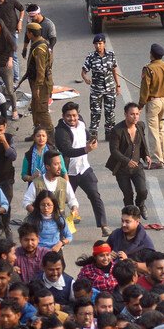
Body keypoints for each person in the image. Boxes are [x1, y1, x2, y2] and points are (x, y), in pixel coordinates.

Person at [54, 102, 109, 237]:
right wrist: (86, 149)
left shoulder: (82, 123)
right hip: (68, 172)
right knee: (61, 202)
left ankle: (103, 226)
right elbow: (67, 150)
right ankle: (60, 232)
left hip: (84, 169)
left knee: (95, 195)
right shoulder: (60, 132)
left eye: (74, 115)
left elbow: (86, 135)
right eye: (68, 116)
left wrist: (92, 140)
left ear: (78, 115)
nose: (72, 119)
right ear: (63, 116)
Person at [106, 103, 151, 218]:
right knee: (128, 194)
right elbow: (114, 151)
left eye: (137, 114)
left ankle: (140, 205)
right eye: (132, 114)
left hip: (137, 167)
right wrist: (127, 161)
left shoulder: (140, 126)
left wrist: (146, 155)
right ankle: (130, 217)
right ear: (125, 114)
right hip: (122, 169)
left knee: (142, 191)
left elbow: (142, 144)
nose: (135, 117)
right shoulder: (117, 130)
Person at [138, 43, 164, 169]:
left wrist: (140, 104)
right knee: (161, 128)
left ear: (151, 54)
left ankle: (156, 160)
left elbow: (145, 89)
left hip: (153, 102)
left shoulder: (149, 68)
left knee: (153, 131)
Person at [80, 35, 119, 139]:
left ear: (104, 44)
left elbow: (114, 70)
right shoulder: (91, 57)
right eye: (96, 44)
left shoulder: (111, 55)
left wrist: (117, 85)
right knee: (95, 112)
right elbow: (83, 72)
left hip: (110, 89)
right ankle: (93, 134)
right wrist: (86, 78)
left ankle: (109, 133)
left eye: (100, 44)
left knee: (110, 111)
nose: (98, 46)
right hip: (96, 90)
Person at [24, 22, 52, 133]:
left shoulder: (40, 48)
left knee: (41, 109)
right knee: (35, 108)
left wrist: (38, 88)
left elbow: (41, 70)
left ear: (30, 33)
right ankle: (37, 131)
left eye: (27, 32)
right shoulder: (39, 43)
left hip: (41, 84)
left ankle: (50, 134)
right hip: (36, 81)